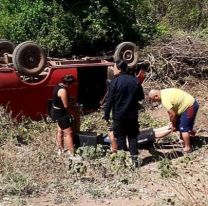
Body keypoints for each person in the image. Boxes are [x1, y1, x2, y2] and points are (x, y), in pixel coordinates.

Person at [103, 60, 144, 167]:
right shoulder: (135, 81)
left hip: (119, 116)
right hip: (132, 115)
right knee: (132, 137)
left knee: (120, 137)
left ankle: (122, 162)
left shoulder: (115, 82)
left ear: (119, 68)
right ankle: (135, 161)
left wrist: (106, 114)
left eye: (114, 67)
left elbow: (110, 100)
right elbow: (141, 97)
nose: (113, 70)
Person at [148, 88, 199, 154]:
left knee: (183, 128)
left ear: (156, 96)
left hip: (189, 106)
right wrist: (172, 122)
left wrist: (174, 125)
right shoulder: (164, 92)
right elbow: (171, 113)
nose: (154, 102)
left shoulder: (165, 100)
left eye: (153, 100)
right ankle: (191, 137)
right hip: (186, 105)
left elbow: (173, 114)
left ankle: (188, 148)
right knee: (181, 125)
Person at [50, 75, 80, 160]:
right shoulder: (63, 90)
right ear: (69, 84)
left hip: (56, 112)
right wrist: (73, 113)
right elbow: (66, 106)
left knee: (60, 131)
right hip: (61, 113)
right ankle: (72, 154)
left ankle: (60, 149)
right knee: (68, 133)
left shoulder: (57, 86)